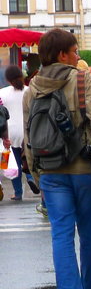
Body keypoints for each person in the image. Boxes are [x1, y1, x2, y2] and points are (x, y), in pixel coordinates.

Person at [24, 28, 91, 289]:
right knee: (90, 232)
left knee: (61, 236)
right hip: (83, 169)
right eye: (75, 51)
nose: (78, 55)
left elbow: (30, 136)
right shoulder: (81, 78)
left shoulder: (32, 89)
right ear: (63, 54)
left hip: (51, 170)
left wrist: (37, 174)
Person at [0, 65, 38, 201]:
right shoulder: (30, 91)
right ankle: (30, 177)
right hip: (27, 131)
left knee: (12, 163)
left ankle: (17, 193)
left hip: (8, 133)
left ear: (8, 79)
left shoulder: (2, 93)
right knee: (29, 161)